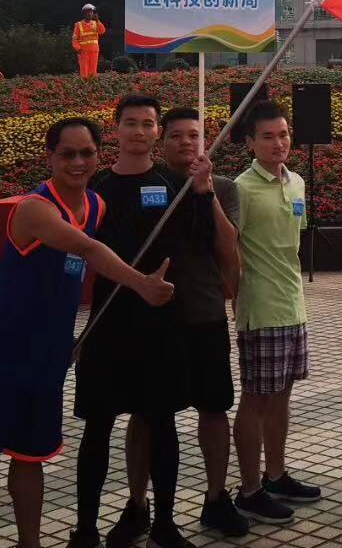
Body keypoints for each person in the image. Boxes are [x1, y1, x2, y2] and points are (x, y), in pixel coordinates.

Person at [0, 117, 176, 548]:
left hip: (48, 361)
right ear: (49, 157)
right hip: (0, 359)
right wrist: (141, 283)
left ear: (97, 156)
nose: (78, 161)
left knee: (30, 459)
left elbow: (88, 265)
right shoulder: (35, 208)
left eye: (87, 153)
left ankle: (30, 542)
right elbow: (88, 249)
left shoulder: (95, 205)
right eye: (67, 154)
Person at [71, 101, 248, 548]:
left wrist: (204, 190)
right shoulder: (96, 186)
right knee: (99, 427)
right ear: (116, 129)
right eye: (130, 123)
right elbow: (77, 248)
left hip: (163, 325)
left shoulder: (177, 184)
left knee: (161, 421)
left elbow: (209, 241)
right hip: (109, 323)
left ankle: (165, 525)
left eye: (147, 124)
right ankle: (89, 529)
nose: (139, 131)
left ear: (156, 132)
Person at [231, 100, 322, 524]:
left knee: (282, 395)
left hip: (293, 304)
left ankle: (276, 474)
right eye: (267, 136)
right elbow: (229, 248)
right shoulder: (241, 189)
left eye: (283, 134)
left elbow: (294, 243)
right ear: (249, 142)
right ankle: (248, 490)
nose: (278, 142)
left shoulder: (298, 182)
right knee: (256, 398)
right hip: (260, 307)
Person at [74, 4, 107, 78]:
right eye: (88, 12)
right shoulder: (78, 25)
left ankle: (92, 86)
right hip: (83, 51)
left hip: (94, 51)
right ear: (84, 13)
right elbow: (74, 39)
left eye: (91, 12)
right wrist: (77, 48)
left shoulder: (96, 23)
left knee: (93, 70)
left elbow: (102, 31)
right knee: (84, 70)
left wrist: (98, 20)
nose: (90, 14)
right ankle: (84, 85)